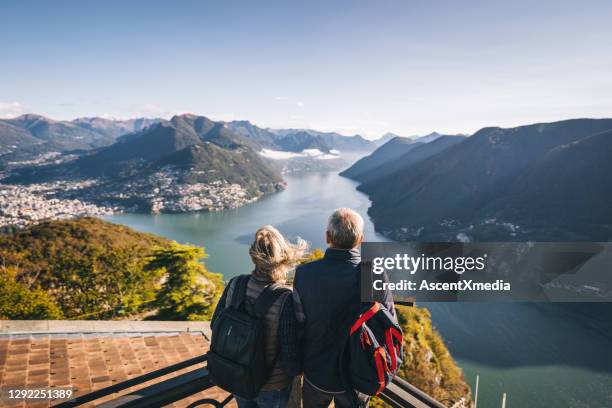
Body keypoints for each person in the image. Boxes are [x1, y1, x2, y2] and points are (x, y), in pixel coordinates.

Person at [293, 208, 395, 408]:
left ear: (327, 236)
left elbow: (298, 322)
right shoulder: (374, 275)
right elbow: (387, 323)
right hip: (357, 375)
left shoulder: (305, 274)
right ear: (361, 239)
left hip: (316, 370)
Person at [211, 225, 306, 408]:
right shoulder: (286, 298)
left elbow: (216, 324)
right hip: (272, 385)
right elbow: (289, 351)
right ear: (283, 257)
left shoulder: (235, 284)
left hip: (238, 375)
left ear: (254, 256)